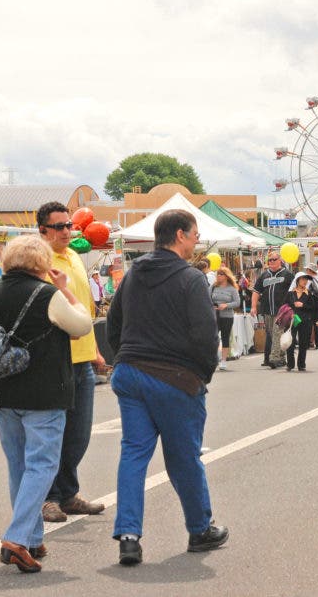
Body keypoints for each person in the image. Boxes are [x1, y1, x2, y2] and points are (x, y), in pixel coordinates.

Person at [107, 209, 228, 566]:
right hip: (174, 377)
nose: (196, 242)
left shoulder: (132, 275)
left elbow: (113, 324)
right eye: (194, 235)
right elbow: (206, 334)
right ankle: (199, 529)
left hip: (130, 371)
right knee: (183, 457)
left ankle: (128, 536)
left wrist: (121, 358)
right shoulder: (190, 278)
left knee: (133, 452)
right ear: (179, 235)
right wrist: (202, 374)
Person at [0, 234, 93, 574]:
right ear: (42, 263)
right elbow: (82, 326)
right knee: (42, 465)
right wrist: (67, 289)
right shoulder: (48, 295)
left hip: (3, 393)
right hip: (44, 393)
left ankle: (33, 537)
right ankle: (18, 538)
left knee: (19, 466)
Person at [36, 202, 106, 523]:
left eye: (69, 225)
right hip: (56, 360)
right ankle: (48, 497)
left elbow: (84, 309)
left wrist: (94, 350)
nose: (67, 231)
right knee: (53, 434)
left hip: (82, 358)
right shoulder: (39, 262)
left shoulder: (75, 257)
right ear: (43, 231)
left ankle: (68, 493)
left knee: (79, 433)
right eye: (60, 226)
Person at [251, 250, 295, 369]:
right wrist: (254, 306)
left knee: (277, 332)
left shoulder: (287, 274)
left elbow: (294, 291)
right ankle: (281, 357)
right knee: (272, 333)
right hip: (267, 310)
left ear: (280, 260)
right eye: (269, 260)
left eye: (274, 259)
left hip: (282, 310)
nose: (271, 262)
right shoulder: (264, 275)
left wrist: (293, 307)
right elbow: (256, 292)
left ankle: (274, 358)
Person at [284, 271, 318, 371]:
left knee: (303, 343)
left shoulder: (310, 294)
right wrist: (290, 312)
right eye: (302, 279)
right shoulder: (290, 293)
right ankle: (290, 364)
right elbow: (285, 305)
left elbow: (315, 307)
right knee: (290, 342)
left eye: (306, 279)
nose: (305, 281)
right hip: (292, 320)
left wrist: (303, 305)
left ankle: (301, 364)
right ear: (297, 280)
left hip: (305, 320)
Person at [211, 266, 241, 369]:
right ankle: (213, 358)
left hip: (227, 316)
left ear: (226, 276)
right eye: (218, 274)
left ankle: (223, 361)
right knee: (212, 337)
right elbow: (206, 297)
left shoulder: (232, 289)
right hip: (214, 315)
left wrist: (226, 305)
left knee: (225, 337)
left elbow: (237, 302)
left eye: (221, 274)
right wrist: (212, 306)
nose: (218, 276)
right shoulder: (213, 287)